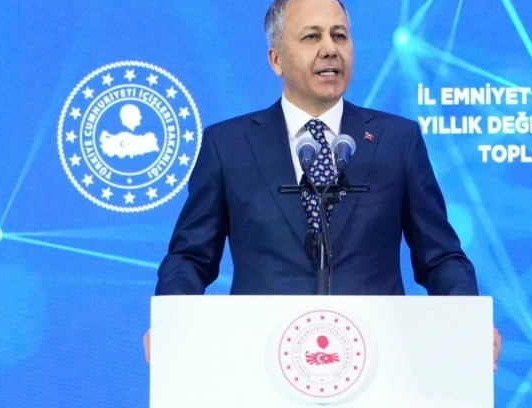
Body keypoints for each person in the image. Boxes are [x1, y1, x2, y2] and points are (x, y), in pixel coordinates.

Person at [147, 0, 501, 368]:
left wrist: (467, 320)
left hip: (380, 365)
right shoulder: (229, 145)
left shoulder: (397, 141)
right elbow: (190, 257)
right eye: (311, 37)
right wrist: (172, 321)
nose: (330, 48)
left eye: (340, 36)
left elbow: (440, 257)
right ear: (276, 59)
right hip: (259, 364)